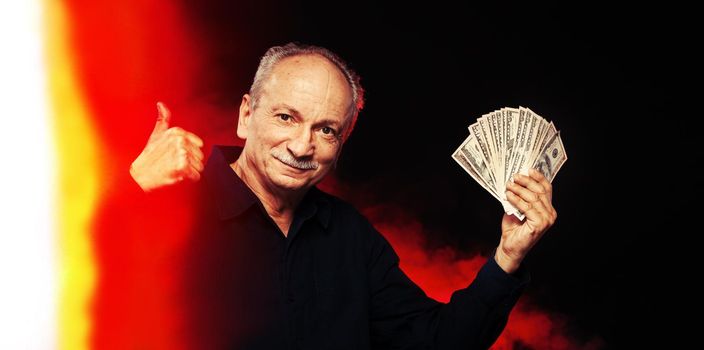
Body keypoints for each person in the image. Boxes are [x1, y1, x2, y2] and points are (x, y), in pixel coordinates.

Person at [128, 43, 557, 349]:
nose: (301, 146)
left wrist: (508, 258)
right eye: (286, 117)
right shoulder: (171, 203)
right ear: (246, 115)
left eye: (326, 130)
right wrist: (135, 192)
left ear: (342, 142)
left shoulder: (350, 235)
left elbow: (436, 340)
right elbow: (84, 311)